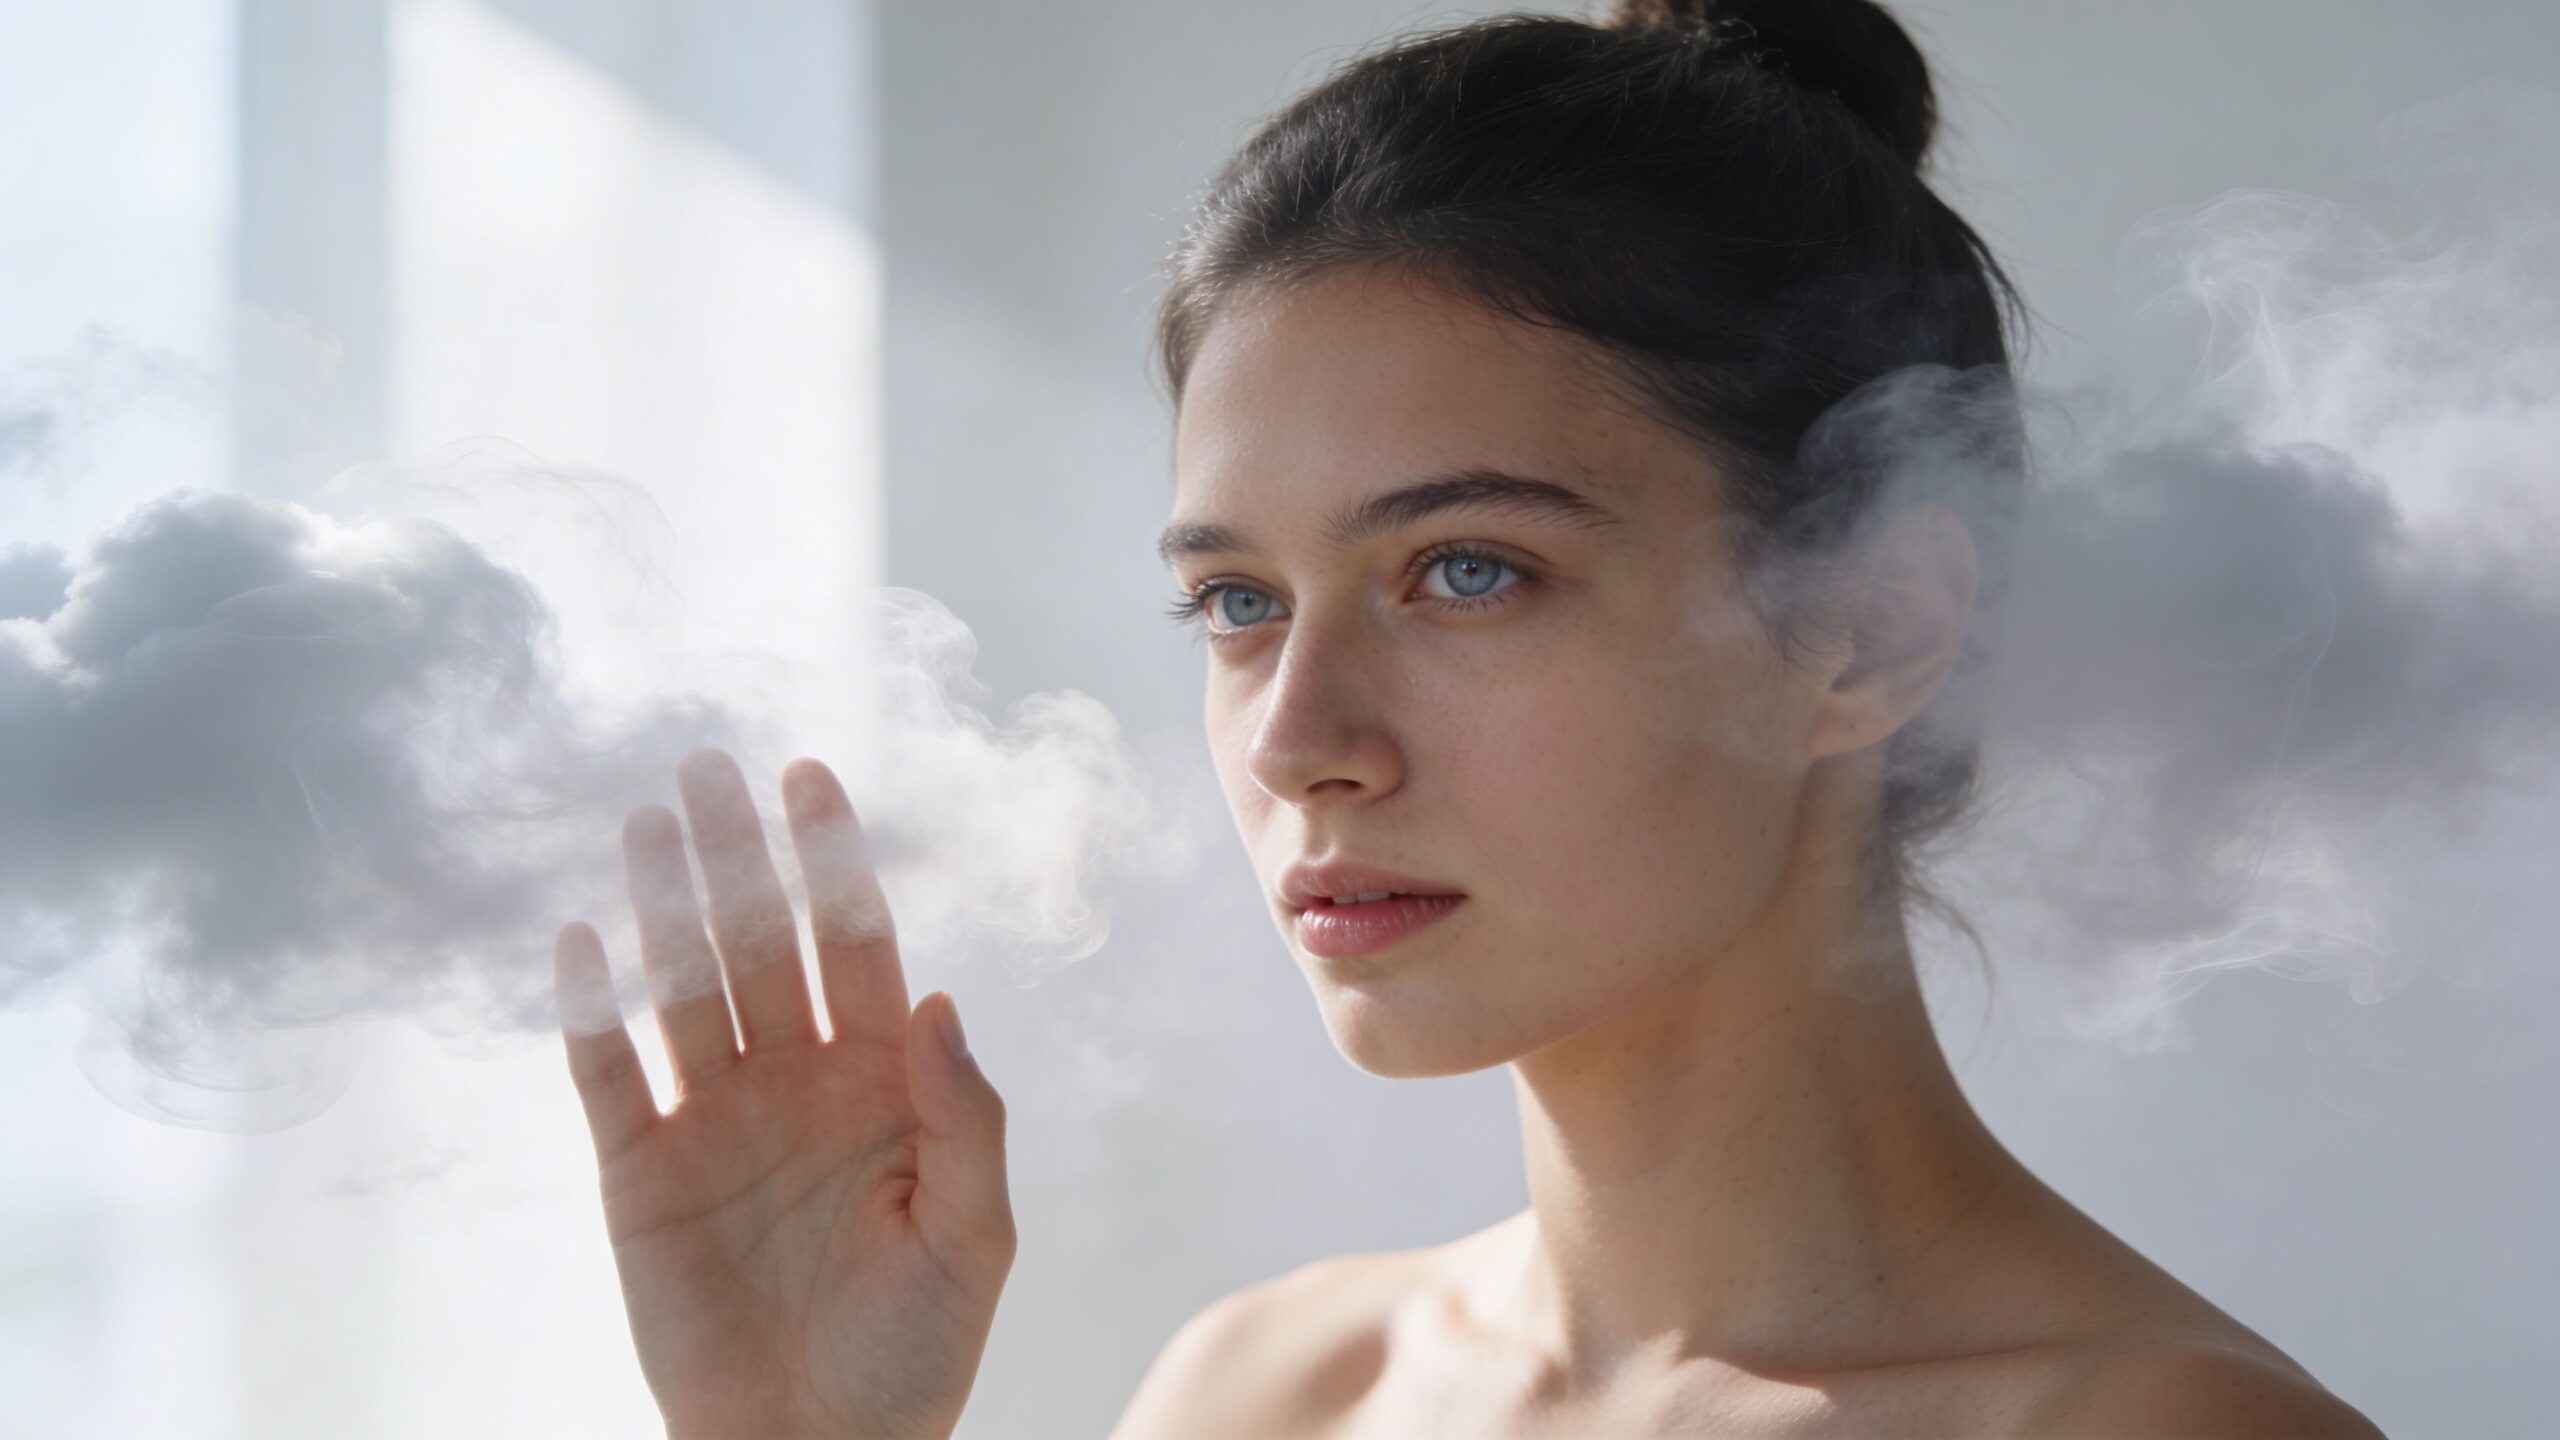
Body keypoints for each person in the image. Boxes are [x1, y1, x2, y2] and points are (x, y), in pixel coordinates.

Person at [554, 1, 2388, 1435]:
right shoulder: (1263, 1396)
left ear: (1870, 624)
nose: (1295, 739)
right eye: (1238, 603)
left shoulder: (2152, 1429)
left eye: (1467, 571)